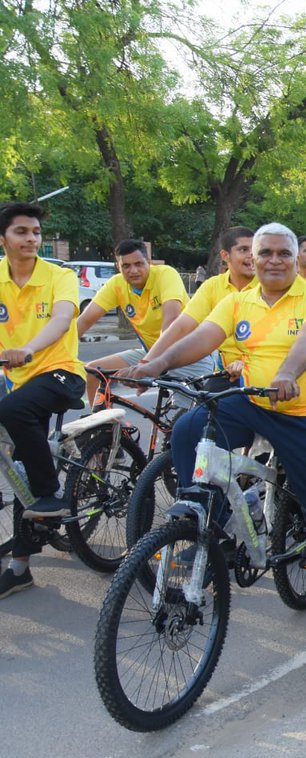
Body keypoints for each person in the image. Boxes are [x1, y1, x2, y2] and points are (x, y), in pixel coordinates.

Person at [125, 222, 306, 658]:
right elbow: (203, 338)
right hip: (252, 401)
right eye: (265, 253)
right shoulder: (238, 300)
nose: (274, 260)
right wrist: (154, 364)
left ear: (295, 260)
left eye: (283, 253)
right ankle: (212, 520)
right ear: (251, 260)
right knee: (187, 430)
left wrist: (286, 374)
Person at [0, 203, 88, 598]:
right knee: (17, 463)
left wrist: (28, 349)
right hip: (17, 379)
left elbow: (62, 319)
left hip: (60, 372)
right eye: (22, 232)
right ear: (3, 239)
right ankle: (19, 568)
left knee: (14, 415)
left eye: (35, 232)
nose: (31, 239)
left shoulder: (59, 275)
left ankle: (50, 493)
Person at [76, 239, 216, 404]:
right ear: (118, 267)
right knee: (93, 371)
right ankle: (100, 425)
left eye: (139, 264)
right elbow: (84, 320)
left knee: (183, 421)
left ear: (148, 262)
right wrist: (59, 357)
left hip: (188, 354)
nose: (133, 270)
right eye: (126, 266)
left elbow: (171, 321)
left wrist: (147, 365)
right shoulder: (116, 284)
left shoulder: (165, 274)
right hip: (151, 354)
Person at [139, 227, 257, 376]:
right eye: (244, 250)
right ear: (225, 256)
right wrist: (147, 363)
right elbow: (182, 326)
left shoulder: (270, 286)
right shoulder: (212, 286)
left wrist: (248, 364)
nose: (252, 255)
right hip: (226, 372)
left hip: (265, 371)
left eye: (256, 249)